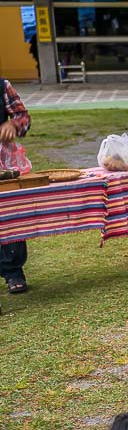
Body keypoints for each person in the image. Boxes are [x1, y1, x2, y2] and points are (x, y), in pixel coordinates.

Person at [0, 77, 32, 294]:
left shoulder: (3, 86)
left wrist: (13, 124)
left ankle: (13, 271)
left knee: (10, 214)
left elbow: (23, 117)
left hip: (3, 161)